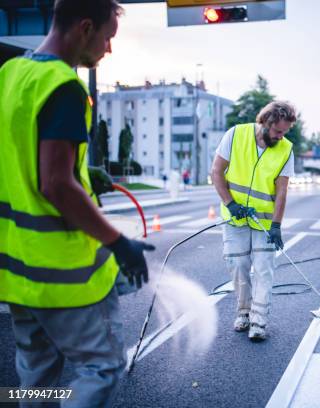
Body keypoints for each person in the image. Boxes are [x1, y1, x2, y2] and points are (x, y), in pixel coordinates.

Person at [0, 1, 155, 405]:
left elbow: (21, 156)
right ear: (85, 28)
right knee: (101, 368)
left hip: (18, 272)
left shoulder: (11, 73)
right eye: (107, 38)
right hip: (64, 274)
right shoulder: (63, 86)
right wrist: (118, 242)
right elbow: (56, 184)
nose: (108, 49)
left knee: (36, 373)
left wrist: (88, 175)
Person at [211, 101, 296, 341]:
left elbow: (281, 191)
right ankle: (244, 312)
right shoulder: (236, 135)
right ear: (266, 123)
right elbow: (216, 171)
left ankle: (259, 321)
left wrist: (277, 225)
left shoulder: (286, 149)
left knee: (263, 270)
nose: (281, 136)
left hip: (265, 222)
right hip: (235, 217)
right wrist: (230, 203)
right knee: (238, 266)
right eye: (278, 131)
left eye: (285, 132)